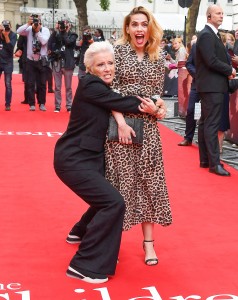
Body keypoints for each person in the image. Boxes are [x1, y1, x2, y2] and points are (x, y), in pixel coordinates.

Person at [54, 41, 163, 283]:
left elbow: (116, 98)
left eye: (111, 63)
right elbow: (122, 102)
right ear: (91, 69)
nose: (107, 68)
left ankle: (78, 232)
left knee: (106, 195)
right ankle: (84, 265)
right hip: (73, 159)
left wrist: (150, 103)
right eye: (101, 64)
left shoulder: (103, 87)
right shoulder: (90, 84)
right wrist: (153, 104)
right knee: (114, 203)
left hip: (91, 157)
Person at [104, 6, 172, 265]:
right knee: (120, 186)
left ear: (149, 27)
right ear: (128, 28)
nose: (139, 29)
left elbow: (158, 96)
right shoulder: (117, 53)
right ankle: (112, 245)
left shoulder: (159, 55)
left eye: (144, 24)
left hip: (150, 131)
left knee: (149, 185)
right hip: (122, 128)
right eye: (135, 24)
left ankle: (149, 245)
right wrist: (120, 123)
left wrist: (158, 110)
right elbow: (110, 91)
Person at [196, 4, 236, 176]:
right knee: (211, 125)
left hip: (212, 86)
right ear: (209, 16)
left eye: (222, 13)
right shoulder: (206, 34)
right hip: (212, 87)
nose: (221, 16)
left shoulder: (212, 34)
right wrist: (230, 70)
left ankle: (206, 160)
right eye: (218, 13)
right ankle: (213, 163)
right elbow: (211, 60)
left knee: (205, 123)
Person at [17, 14, 50, 111]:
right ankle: (31, 104)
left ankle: (42, 103)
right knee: (30, 83)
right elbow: (19, 31)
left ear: (41, 22)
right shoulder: (29, 29)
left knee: (42, 84)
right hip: (30, 60)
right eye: (35, 21)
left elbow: (44, 42)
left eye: (38, 21)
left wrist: (38, 32)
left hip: (42, 60)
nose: (36, 23)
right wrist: (28, 24)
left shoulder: (45, 30)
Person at [48, 20, 78, 112]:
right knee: (57, 87)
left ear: (69, 26)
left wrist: (64, 32)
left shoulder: (73, 35)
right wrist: (56, 31)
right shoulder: (56, 34)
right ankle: (57, 105)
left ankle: (69, 105)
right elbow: (49, 44)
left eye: (65, 25)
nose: (63, 27)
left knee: (68, 87)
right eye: (62, 25)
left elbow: (68, 42)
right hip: (57, 62)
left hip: (68, 63)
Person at [178, 40, 200, 146]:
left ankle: (204, 139)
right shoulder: (195, 46)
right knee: (191, 110)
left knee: (207, 113)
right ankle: (188, 138)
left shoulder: (215, 46)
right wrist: (197, 74)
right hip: (197, 84)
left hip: (211, 85)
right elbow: (189, 63)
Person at [0, 20, 17, 111]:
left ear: (10, 27)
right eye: (4, 26)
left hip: (8, 62)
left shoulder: (13, 35)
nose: (6, 28)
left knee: (8, 84)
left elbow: (11, 48)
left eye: (7, 26)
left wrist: (6, 35)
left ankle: (8, 104)